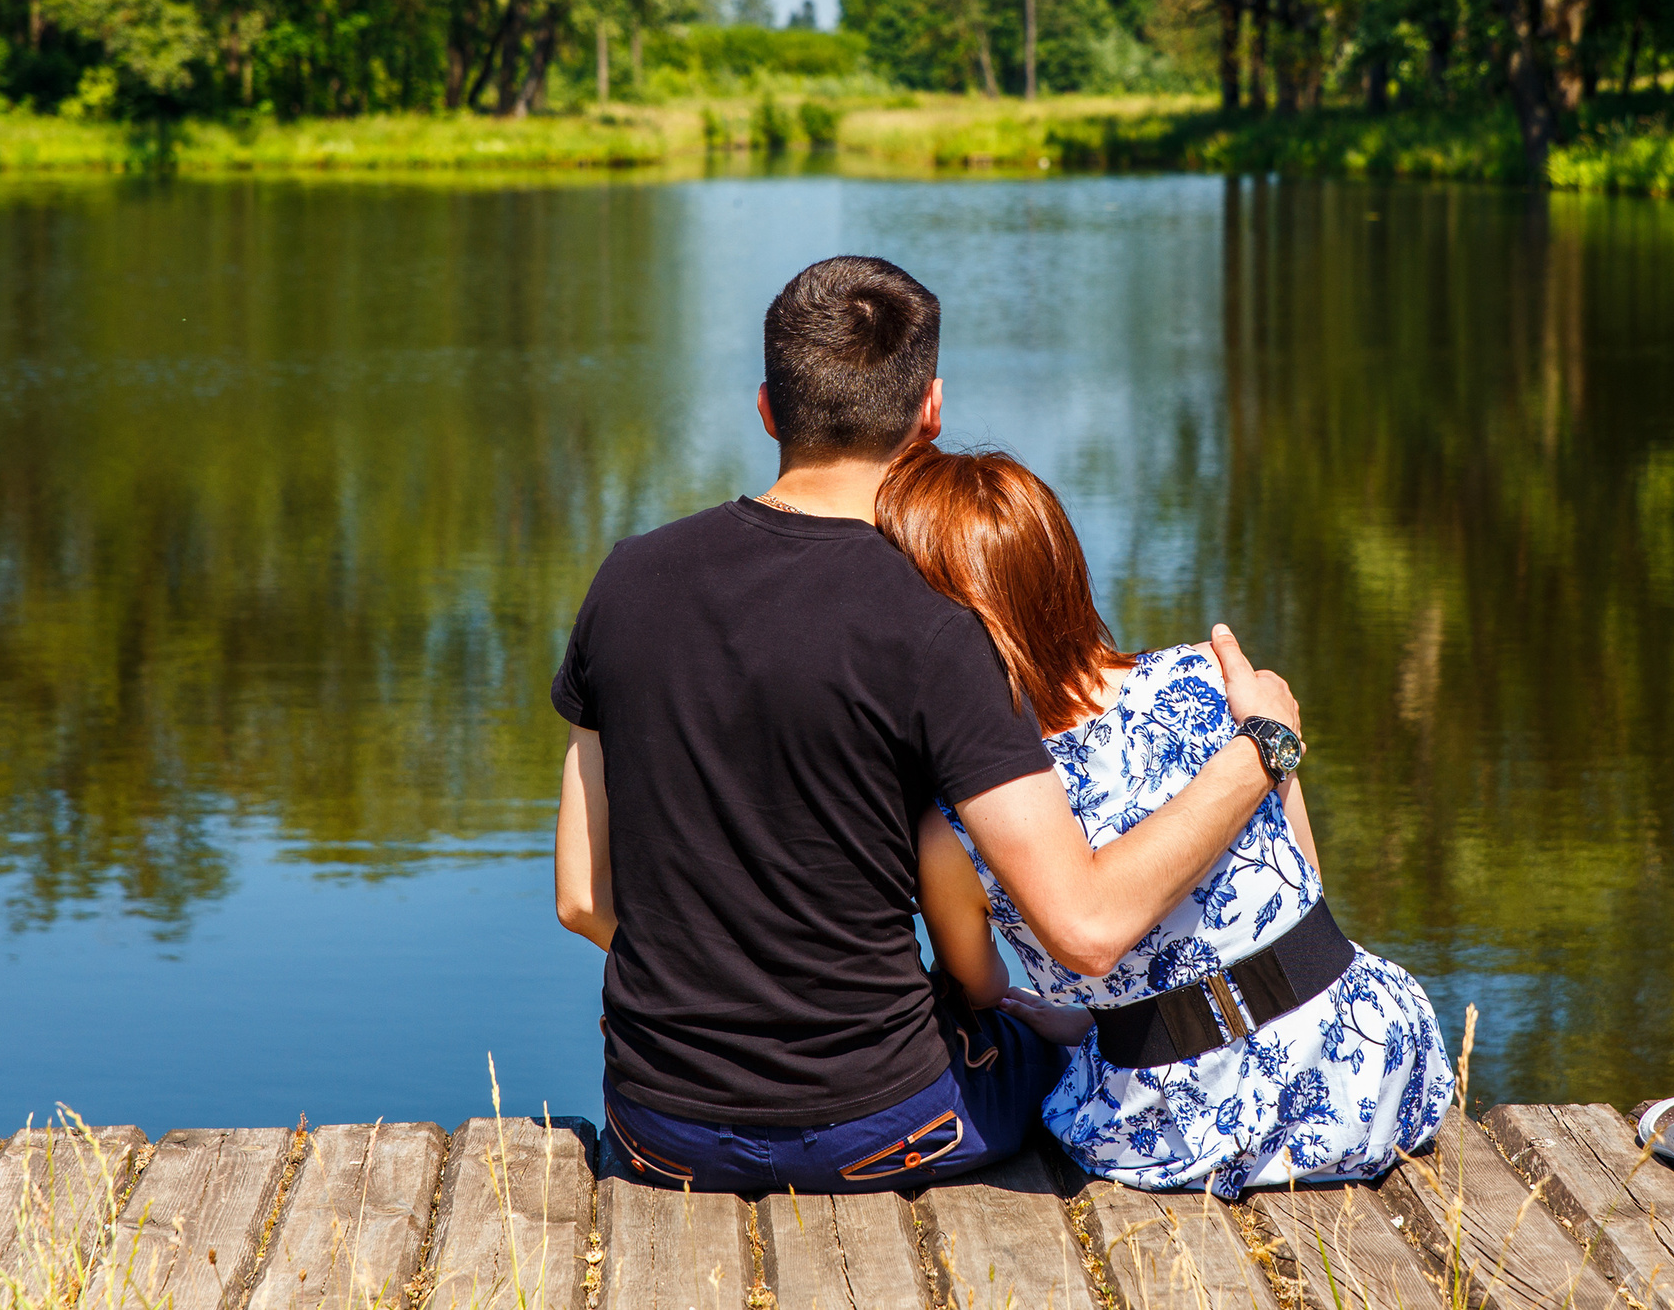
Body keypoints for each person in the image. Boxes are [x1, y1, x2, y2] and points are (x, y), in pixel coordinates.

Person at [549, 255, 1306, 1194]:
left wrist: (702, 990)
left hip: (660, 1128)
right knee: (1072, 1041)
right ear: (931, 409)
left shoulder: (626, 581)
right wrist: (1259, 752)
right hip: (886, 1125)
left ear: (767, 409)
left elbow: (581, 897)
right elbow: (1087, 927)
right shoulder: (939, 623)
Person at [880, 443, 1455, 1199]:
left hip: (1181, 1127)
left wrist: (1096, 1017)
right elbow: (1302, 889)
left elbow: (983, 987)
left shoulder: (958, 824)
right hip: (1371, 1069)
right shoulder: (1215, 679)